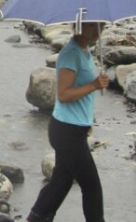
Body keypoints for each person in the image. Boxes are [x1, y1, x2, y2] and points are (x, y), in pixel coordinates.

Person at [27, 21, 110, 222]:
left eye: (101, 26)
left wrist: (87, 121)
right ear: (79, 26)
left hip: (74, 128)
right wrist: (93, 85)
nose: (98, 30)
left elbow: (83, 95)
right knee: (91, 185)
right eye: (92, 26)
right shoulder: (71, 54)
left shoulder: (85, 51)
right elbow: (63, 95)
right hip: (66, 131)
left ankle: (37, 217)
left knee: (61, 181)